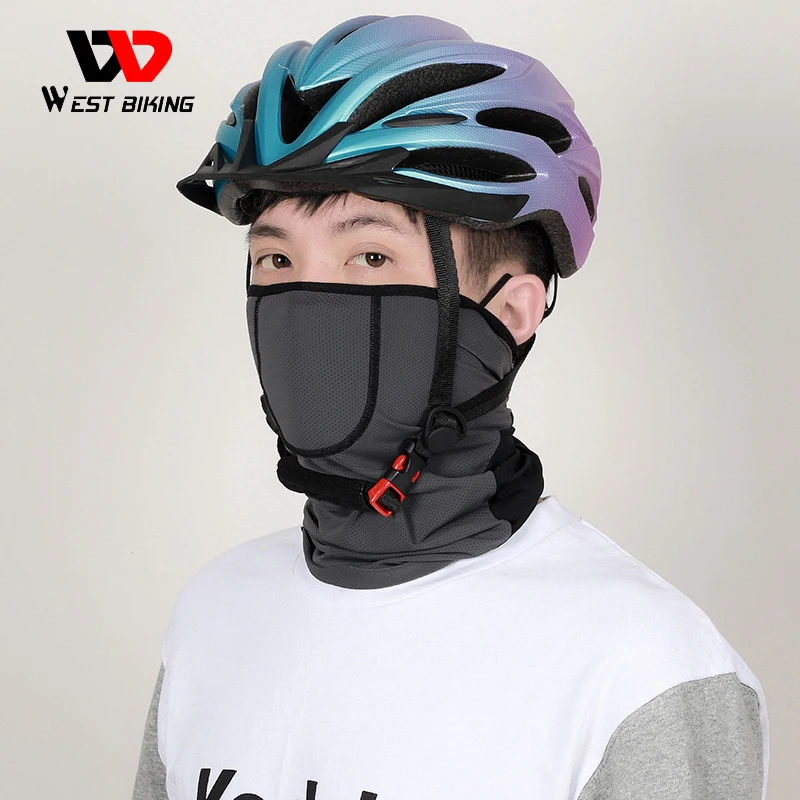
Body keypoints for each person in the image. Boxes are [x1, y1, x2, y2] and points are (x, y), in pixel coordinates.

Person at [132, 14, 769, 800]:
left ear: (512, 311)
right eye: (275, 258)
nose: (306, 301)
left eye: (371, 255)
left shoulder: (638, 668)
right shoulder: (215, 612)